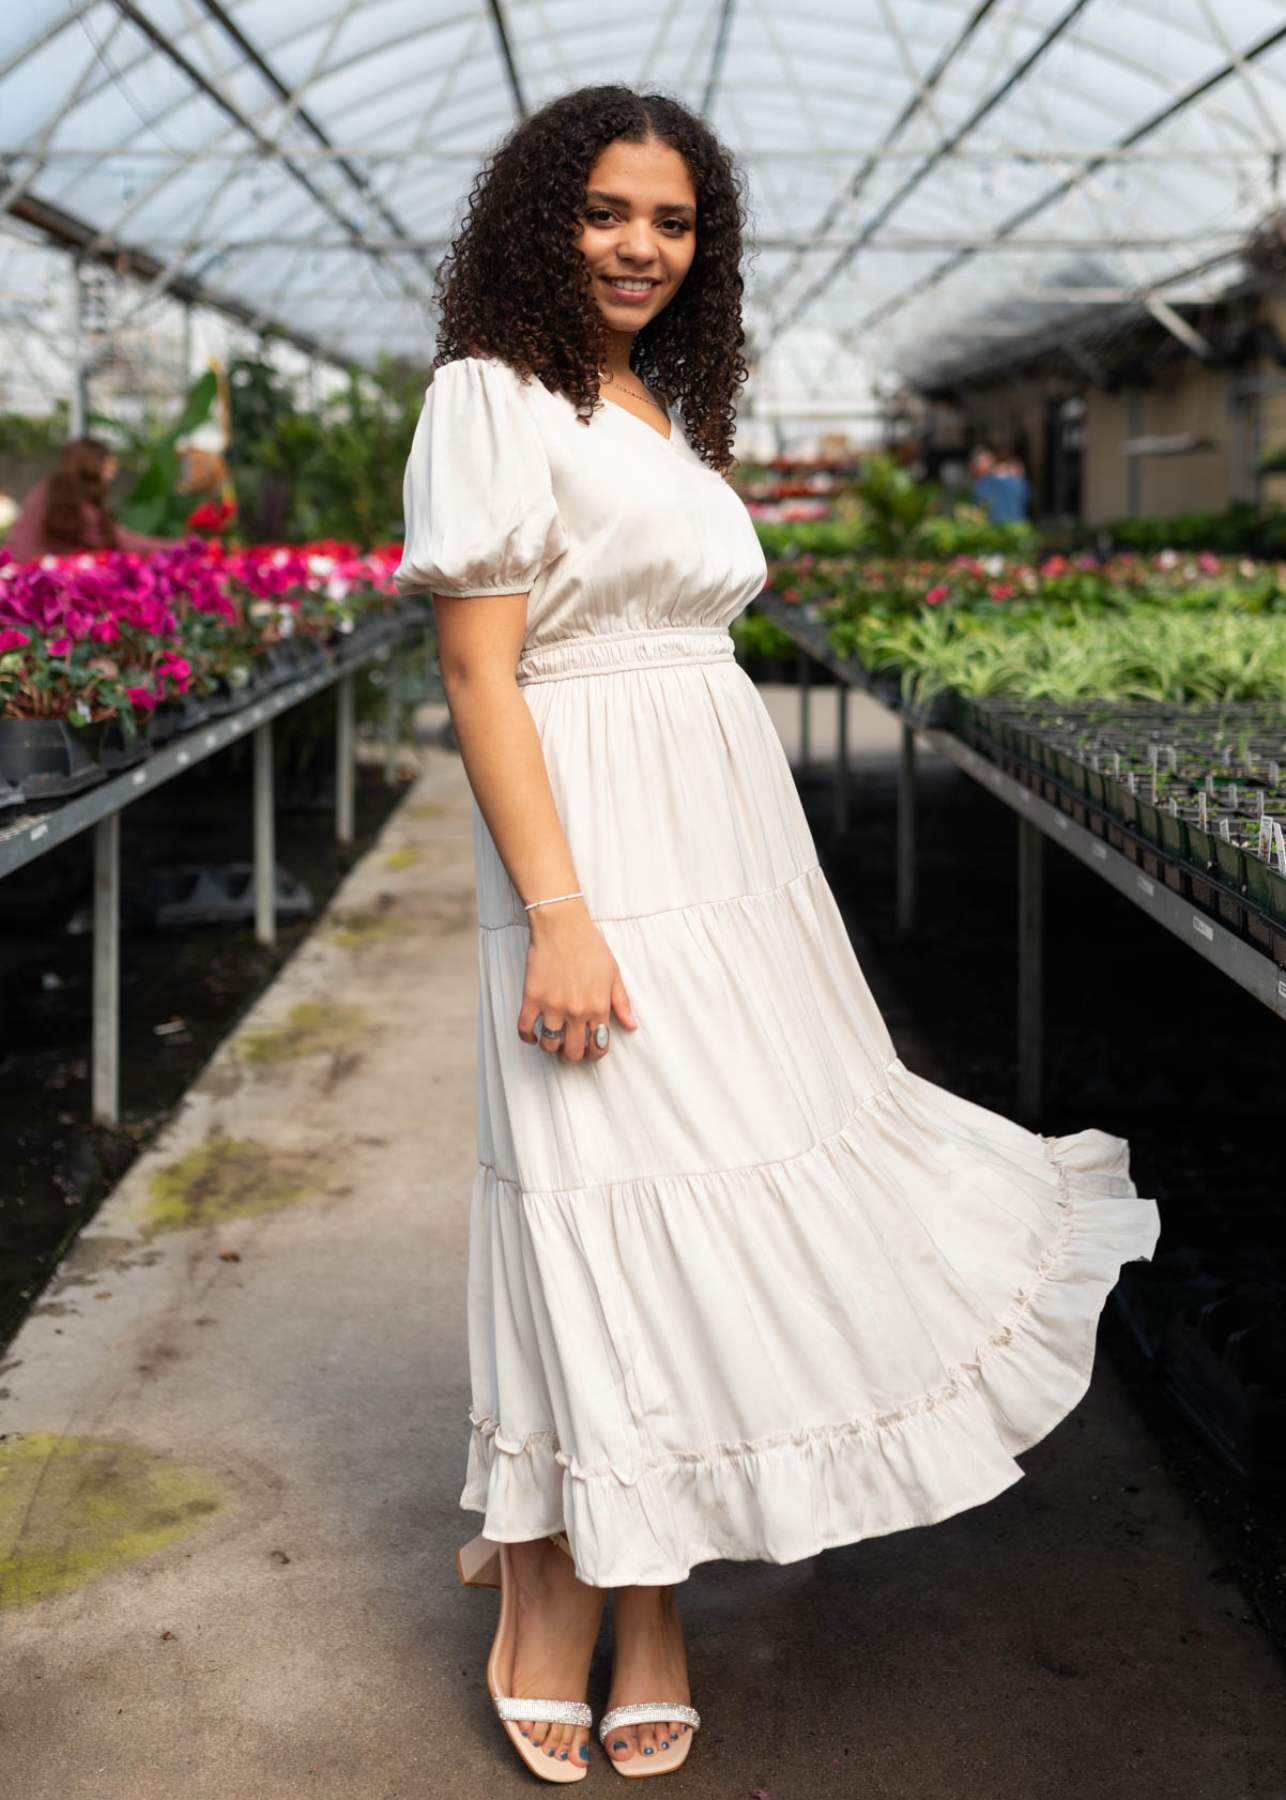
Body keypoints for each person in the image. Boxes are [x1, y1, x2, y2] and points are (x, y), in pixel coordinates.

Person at [393, 85, 1159, 1785]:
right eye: (606, 211)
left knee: (747, 1166)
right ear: (540, 217)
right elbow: (476, 675)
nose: (640, 247)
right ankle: (551, 1577)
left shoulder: (648, 405)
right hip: (593, 847)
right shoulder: (488, 394)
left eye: (671, 222)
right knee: (600, 1192)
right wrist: (563, 918)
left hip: (728, 847)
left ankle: (645, 1586)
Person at [4, 437, 173, 560]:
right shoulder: (70, 500)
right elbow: (124, 542)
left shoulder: (51, 488)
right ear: (91, 465)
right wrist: (179, 547)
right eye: (108, 465)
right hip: (32, 578)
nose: (112, 473)